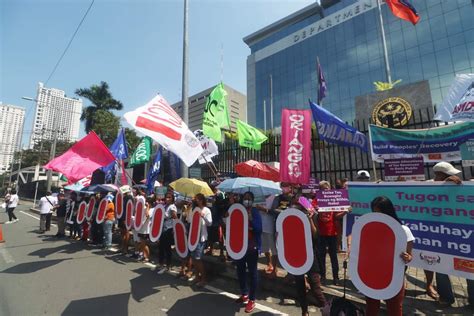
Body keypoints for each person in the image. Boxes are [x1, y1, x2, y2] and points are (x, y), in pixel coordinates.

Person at [365, 196, 414, 316]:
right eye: (374, 213)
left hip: (394, 276)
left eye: (380, 213)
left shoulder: (403, 230)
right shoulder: (370, 229)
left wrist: (407, 257)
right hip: (373, 274)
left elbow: (410, 256)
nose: (378, 216)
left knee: (395, 307)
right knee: (371, 306)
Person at [293, 193, 327, 316]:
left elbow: (315, 235)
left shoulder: (311, 216)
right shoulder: (291, 217)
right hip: (296, 254)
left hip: (310, 254)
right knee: (300, 286)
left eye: (299, 204)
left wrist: (309, 219)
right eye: (295, 204)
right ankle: (304, 311)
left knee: (315, 286)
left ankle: (327, 308)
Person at [234, 191, 262, 314]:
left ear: (252, 200)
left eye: (249, 198)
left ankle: (252, 299)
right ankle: (244, 293)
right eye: (245, 198)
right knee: (240, 270)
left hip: (251, 246)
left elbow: (258, 229)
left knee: (252, 272)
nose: (246, 200)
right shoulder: (238, 210)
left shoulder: (254, 211)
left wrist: (251, 220)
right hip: (240, 246)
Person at [316, 181, 348, 285]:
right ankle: (323, 276)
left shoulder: (334, 200)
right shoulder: (317, 200)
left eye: (327, 189)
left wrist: (345, 211)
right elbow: (311, 210)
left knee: (333, 256)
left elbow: (336, 216)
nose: (325, 191)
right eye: (323, 189)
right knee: (321, 256)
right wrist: (314, 210)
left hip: (332, 232)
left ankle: (335, 277)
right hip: (320, 232)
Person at [190, 193, 212, 287]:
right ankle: (197, 277)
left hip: (201, 237)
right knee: (194, 258)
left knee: (198, 258)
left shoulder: (207, 210)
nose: (197, 200)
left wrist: (203, 216)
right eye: (196, 199)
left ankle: (203, 279)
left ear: (202, 200)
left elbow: (210, 223)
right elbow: (190, 221)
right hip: (193, 236)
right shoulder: (194, 209)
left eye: (198, 199)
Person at [157, 192, 178, 274]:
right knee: (161, 247)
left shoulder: (172, 207)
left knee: (167, 248)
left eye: (169, 197)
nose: (167, 199)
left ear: (172, 198)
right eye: (166, 197)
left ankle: (168, 265)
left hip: (168, 229)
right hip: (163, 228)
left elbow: (175, 217)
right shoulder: (165, 206)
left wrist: (175, 228)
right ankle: (161, 264)